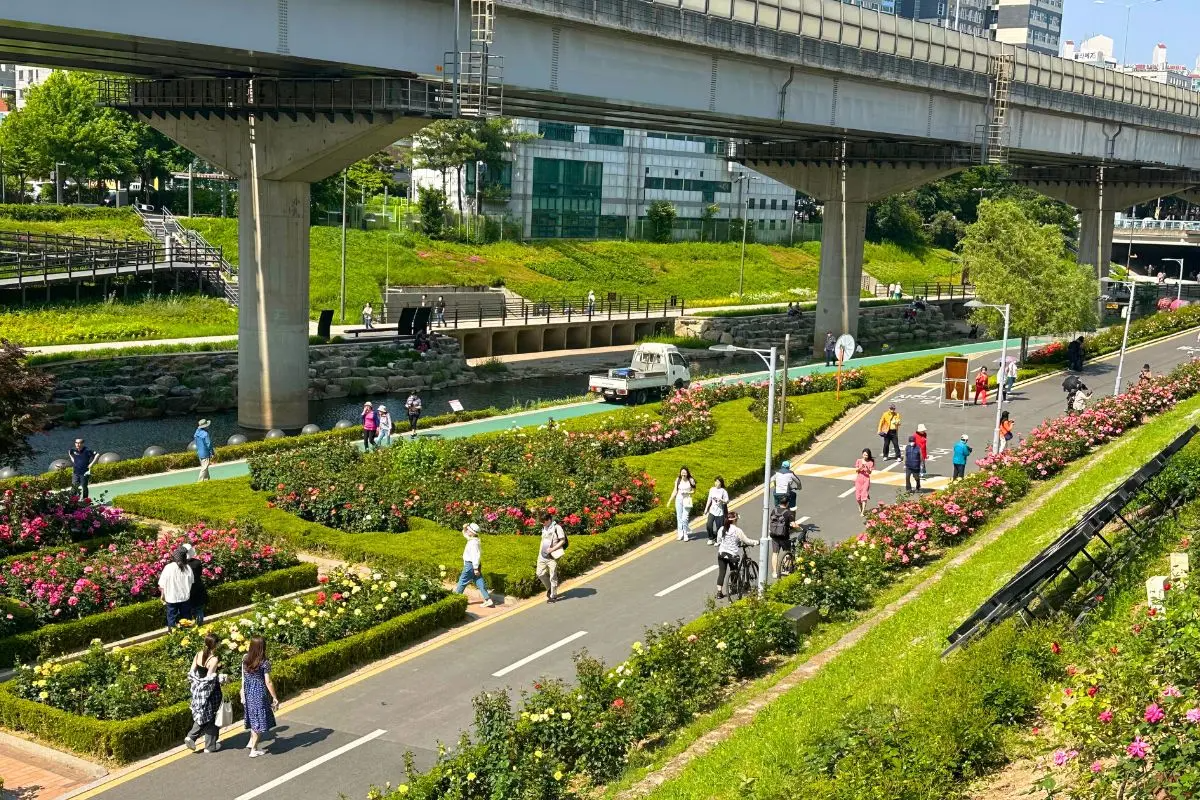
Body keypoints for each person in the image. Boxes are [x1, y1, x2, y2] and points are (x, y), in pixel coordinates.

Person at [185, 632, 224, 754]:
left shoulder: (198, 654)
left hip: (198, 691)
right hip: (212, 692)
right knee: (212, 716)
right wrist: (222, 678)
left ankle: (192, 737)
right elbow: (209, 679)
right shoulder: (213, 659)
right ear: (215, 645)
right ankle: (209, 746)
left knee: (203, 714)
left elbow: (191, 672)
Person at [241, 636, 279, 758]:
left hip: (248, 692)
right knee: (258, 722)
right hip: (259, 693)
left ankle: (251, 742)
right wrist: (275, 697)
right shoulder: (264, 663)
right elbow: (268, 682)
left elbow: (243, 677)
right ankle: (253, 749)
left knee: (253, 719)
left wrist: (242, 691)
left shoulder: (245, 659)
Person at [715, 511, 758, 599]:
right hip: (732, 555)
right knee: (734, 568)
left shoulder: (722, 528)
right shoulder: (737, 530)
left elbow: (719, 540)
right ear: (734, 520)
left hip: (721, 553)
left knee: (722, 572)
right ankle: (734, 586)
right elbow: (746, 541)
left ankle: (719, 592)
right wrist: (756, 542)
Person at [453, 523, 495, 608]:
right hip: (475, 566)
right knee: (479, 581)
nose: (467, 531)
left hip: (471, 566)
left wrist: (475, 568)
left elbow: (476, 556)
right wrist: (464, 527)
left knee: (462, 581)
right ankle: (488, 599)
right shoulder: (473, 539)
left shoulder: (473, 543)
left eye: (468, 530)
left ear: (472, 532)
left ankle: (455, 600)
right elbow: (465, 534)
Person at [158, 546, 194, 631]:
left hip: (171, 598)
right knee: (186, 618)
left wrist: (162, 595)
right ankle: (188, 634)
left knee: (172, 619)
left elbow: (162, 584)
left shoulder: (168, 567)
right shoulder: (188, 568)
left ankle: (173, 635)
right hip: (185, 598)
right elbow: (191, 582)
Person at [536, 511, 567, 603]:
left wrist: (552, 549)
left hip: (552, 556)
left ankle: (553, 595)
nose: (542, 523)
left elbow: (562, 541)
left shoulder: (557, 528)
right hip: (542, 555)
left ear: (549, 520)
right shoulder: (544, 527)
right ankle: (550, 588)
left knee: (553, 576)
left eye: (544, 521)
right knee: (540, 573)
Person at [768, 498, 797, 579]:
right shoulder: (788, 513)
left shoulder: (774, 510)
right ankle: (785, 569)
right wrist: (797, 527)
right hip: (784, 536)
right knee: (787, 551)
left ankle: (774, 572)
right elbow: (793, 525)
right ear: (787, 503)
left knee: (775, 553)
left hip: (774, 535)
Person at [667, 466, 697, 541]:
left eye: (685, 472)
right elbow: (675, 491)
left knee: (685, 518)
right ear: (680, 473)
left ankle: (686, 534)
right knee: (679, 517)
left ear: (687, 473)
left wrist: (688, 492)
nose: (683, 473)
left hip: (687, 500)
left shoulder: (691, 480)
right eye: (682, 472)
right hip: (678, 499)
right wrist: (670, 501)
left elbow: (694, 491)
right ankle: (680, 534)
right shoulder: (678, 480)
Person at [183, 542, 208, 625]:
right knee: (199, 609)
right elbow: (200, 574)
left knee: (188, 611)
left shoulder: (181, 565)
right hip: (198, 588)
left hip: (187, 589)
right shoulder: (197, 562)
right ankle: (199, 625)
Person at [701, 476, 729, 547]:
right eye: (715, 481)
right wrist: (706, 509)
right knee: (709, 525)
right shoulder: (712, 489)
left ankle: (718, 539)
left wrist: (722, 500)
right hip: (712, 510)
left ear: (721, 483)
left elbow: (727, 501)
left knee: (719, 528)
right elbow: (709, 499)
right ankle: (711, 538)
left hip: (720, 512)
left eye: (718, 482)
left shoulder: (723, 491)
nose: (716, 483)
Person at [854, 448, 874, 515]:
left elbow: (870, 472)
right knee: (858, 497)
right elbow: (856, 470)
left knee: (864, 495)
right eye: (864, 455)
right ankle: (860, 506)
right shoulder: (858, 461)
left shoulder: (870, 462)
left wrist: (867, 469)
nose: (865, 456)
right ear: (862, 454)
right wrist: (861, 467)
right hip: (859, 479)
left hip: (866, 480)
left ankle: (863, 512)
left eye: (866, 455)